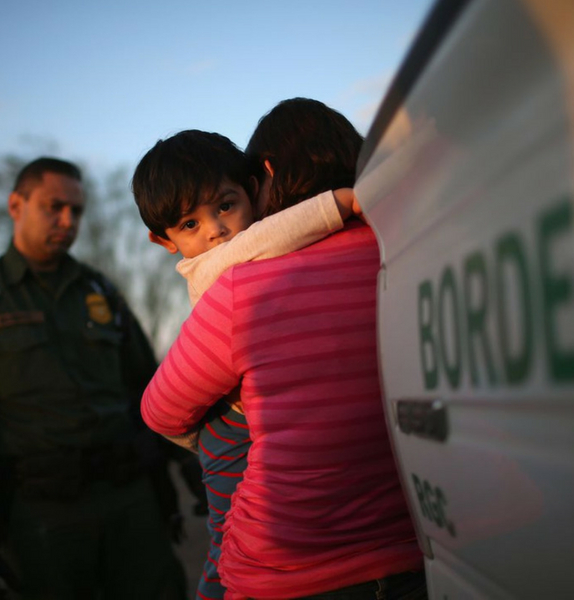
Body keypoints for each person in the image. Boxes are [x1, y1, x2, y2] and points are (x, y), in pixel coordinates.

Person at [142, 98, 426, 599]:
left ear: (262, 177)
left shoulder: (244, 284)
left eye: (227, 205)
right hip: (414, 546)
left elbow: (160, 410)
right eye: (190, 224)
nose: (217, 231)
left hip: (288, 566)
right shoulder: (412, 253)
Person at [0, 157, 188, 599]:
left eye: (77, 211)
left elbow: (153, 388)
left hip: (130, 500)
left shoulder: (100, 290)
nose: (68, 221)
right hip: (40, 512)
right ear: (16, 205)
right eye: (54, 206)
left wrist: (187, 465)